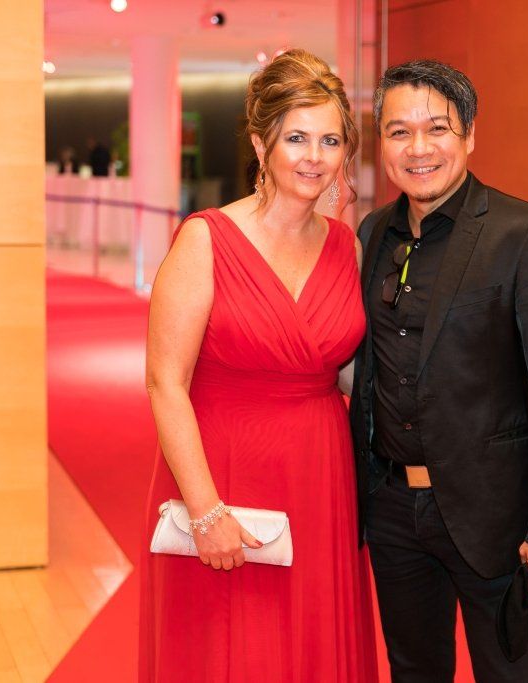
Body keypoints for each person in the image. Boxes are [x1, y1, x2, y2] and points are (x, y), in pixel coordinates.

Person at [349, 60, 528, 682]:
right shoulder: (373, 233)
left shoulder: (523, 234)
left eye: (437, 128)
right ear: (382, 143)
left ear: (470, 134)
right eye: (399, 132)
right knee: (413, 671)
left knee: (510, 674)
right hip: (392, 508)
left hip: (494, 515)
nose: (419, 148)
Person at [140, 49, 377, 681]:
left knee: (309, 646)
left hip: (320, 476)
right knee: (227, 651)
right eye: (296, 138)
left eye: (330, 141)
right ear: (260, 143)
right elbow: (165, 382)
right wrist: (205, 511)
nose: (314, 156)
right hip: (222, 474)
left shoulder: (346, 245)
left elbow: (346, 369)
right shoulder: (205, 240)